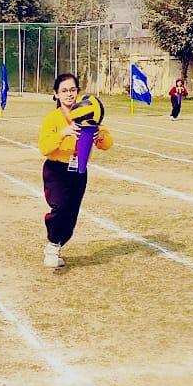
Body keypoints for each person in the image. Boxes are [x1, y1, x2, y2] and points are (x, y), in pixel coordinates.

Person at [37, 73, 114, 269]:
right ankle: (52, 246)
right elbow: (44, 147)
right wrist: (63, 133)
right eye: (64, 91)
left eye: (72, 90)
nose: (69, 94)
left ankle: (58, 243)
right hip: (56, 170)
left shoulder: (88, 112)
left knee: (71, 216)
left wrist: (100, 135)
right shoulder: (53, 118)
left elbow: (107, 144)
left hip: (79, 171)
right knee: (60, 207)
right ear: (56, 94)